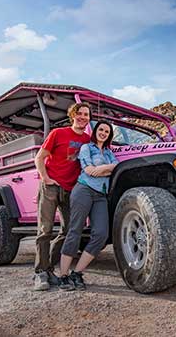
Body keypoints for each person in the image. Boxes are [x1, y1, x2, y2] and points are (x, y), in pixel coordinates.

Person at [33, 102, 91, 291]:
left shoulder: (88, 140)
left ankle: (50, 268)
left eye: (86, 114)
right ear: (72, 115)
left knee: (67, 231)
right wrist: (46, 178)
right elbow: (40, 157)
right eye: (80, 114)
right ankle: (41, 273)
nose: (83, 117)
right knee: (45, 230)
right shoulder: (58, 133)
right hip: (51, 187)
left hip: (71, 190)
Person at [58, 120, 119, 290]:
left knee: (101, 234)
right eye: (101, 129)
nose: (103, 133)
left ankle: (76, 273)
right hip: (83, 189)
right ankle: (63, 275)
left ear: (109, 135)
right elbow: (90, 170)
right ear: (95, 131)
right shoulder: (86, 148)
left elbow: (117, 167)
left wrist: (104, 168)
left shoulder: (108, 152)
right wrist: (108, 169)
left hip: (100, 195)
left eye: (107, 131)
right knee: (75, 230)